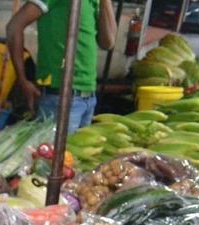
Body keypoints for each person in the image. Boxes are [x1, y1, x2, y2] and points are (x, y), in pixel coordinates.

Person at [7, 0, 117, 131]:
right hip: (60, 96)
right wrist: (22, 79)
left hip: (88, 95)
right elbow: (14, 26)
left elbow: (108, 42)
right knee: (55, 151)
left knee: (73, 151)